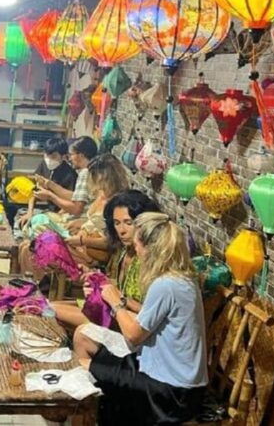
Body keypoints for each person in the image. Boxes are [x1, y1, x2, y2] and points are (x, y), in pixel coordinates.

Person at [73, 212, 207, 425]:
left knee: (80, 364)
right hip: (168, 376)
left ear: (150, 248)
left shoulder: (165, 285)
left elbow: (134, 336)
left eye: (137, 245)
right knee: (85, 337)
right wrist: (112, 298)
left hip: (170, 393)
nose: (136, 250)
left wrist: (115, 302)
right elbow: (148, 318)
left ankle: (94, 417)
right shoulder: (182, 278)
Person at [52, 190, 159, 328]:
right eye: (117, 223)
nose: (122, 230)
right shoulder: (123, 250)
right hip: (111, 309)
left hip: (130, 321)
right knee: (48, 306)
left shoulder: (150, 260)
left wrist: (119, 299)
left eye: (128, 223)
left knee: (48, 310)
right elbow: (117, 287)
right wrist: (95, 278)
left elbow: (152, 314)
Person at [5, 137, 77, 227]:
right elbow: (35, 191)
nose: (49, 159)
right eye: (46, 155)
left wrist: (55, 217)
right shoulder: (44, 165)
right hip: (49, 210)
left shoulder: (70, 174)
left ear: (63, 156)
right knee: (19, 219)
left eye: (53, 156)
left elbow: (73, 204)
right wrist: (29, 213)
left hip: (64, 214)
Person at [27, 135, 97, 221]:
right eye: (46, 155)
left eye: (71, 155)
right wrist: (29, 213)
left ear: (81, 155)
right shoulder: (89, 172)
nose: (70, 158)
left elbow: (76, 208)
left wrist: (51, 196)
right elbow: (75, 197)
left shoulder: (82, 173)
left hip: (75, 217)